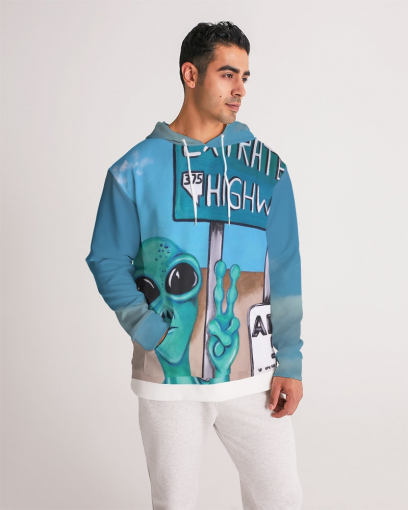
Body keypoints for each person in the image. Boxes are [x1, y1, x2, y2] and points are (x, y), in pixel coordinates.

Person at [85, 21, 304, 510]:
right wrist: (149, 330)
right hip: (169, 381)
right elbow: (106, 258)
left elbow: (285, 267)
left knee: (282, 498)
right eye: (228, 74)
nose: (240, 89)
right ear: (191, 74)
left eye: (245, 77)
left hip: (253, 378)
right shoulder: (133, 170)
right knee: (175, 503)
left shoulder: (267, 170)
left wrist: (290, 360)